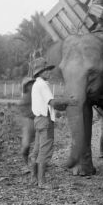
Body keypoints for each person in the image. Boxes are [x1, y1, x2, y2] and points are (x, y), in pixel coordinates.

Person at [28, 57, 72, 187]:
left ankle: (34, 179)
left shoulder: (36, 84)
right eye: (45, 70)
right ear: (40, 73)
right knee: (45, 150)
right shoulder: (43, 85)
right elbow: (52, 103)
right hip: (45, 121)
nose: (49, 72)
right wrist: (68, 101)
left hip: (38, 120)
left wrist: (63, 104)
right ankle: (42, 182)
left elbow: (50, 103)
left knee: (36, 150)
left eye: (48, 70)